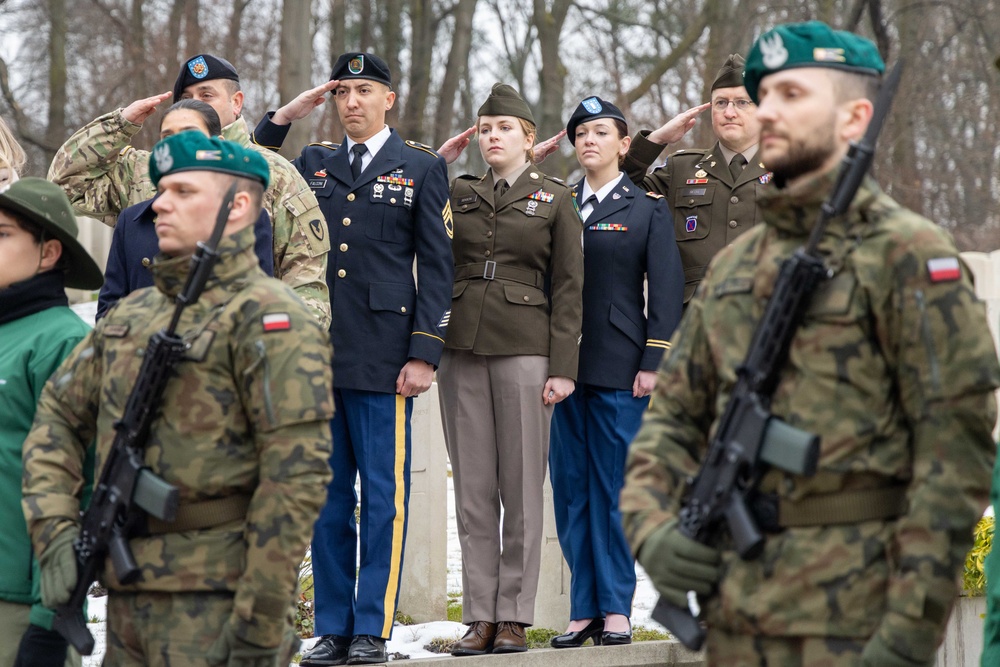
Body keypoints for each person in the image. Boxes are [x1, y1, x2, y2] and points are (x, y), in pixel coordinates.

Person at [620, 21, 1000, 667]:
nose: (766, 111)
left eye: (793, 94)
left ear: (856, 116)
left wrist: (905, 636)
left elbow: (955, 461)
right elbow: (672, 422)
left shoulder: (910, 257)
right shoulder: (736, 267)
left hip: (858, 620)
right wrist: (652, 527)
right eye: (763, 95)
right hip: (736, 623)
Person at [22, 132, 335, 665]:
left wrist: (258, 626)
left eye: (184, 192)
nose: (159, 203)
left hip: (219, 606)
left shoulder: (269, 319)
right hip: (127, 600)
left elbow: (295, 482)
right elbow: (56, 418)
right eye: (161, 189)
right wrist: (54, 532)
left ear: (237, 207)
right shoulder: (131, 317)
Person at [250, 52, 454, 666]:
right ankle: (333, 626)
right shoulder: (312, 163)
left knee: (385, 497)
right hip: (315, 357)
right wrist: (287, 114)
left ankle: (373, 626)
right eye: (343, 93)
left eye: (365, 91)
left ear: (389, 98)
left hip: (385, 357)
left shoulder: (420, 167)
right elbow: (249, 163)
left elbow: (440, 270)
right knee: (329, 497)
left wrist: (425, 352)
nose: (353, 103)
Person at [437, 83, 583, 657]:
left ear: (529, 138)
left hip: (527, 346)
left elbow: (570, 286)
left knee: (522, 489)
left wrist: (564, 367)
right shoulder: (457, 192)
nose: (492, 137)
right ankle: (479, 616)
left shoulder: (554, 197)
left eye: (504, 129)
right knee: (473, 492)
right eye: (485, 128)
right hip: (462, 347)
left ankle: (515, 617)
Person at [47, 53, 332, 327]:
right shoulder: (144, 169)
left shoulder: (274, 173)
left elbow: (305, 281)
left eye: (207, 95)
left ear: (236, 102)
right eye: (186, 98)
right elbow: (65, 186)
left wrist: (280, 350)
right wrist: (120, 124)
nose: (196, 104)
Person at [548, 97, 684, 650]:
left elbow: (667, 289)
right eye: (581, 132)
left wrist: (653, 361)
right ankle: (583, 610)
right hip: (561, 369)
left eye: (601, 132)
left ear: (624, 145)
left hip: (620, 366)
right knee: (571, 491)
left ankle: (615, 609)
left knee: (614, 489)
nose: (589, 141)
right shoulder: (555, 203)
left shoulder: (645, 207)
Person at [0, 175, 101, 667]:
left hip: (18, 604)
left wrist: (50, 616)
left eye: (1, 235)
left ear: (48, 253)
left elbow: (77, 491)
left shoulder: (62, 342)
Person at [97, 99, 275, 318]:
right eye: (167, 136)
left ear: (217, 142)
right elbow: (109, 311)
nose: (178, 143)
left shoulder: (244, 214)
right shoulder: (132, 219)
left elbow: (258, 297)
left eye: (190, 134)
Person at [622, 54, 769, 304]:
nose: (729, 112)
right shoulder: (682, 169)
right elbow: (620, 195)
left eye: (742, 102)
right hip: (693, 323)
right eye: (721, 103)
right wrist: (656, 140)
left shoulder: (792, 168)